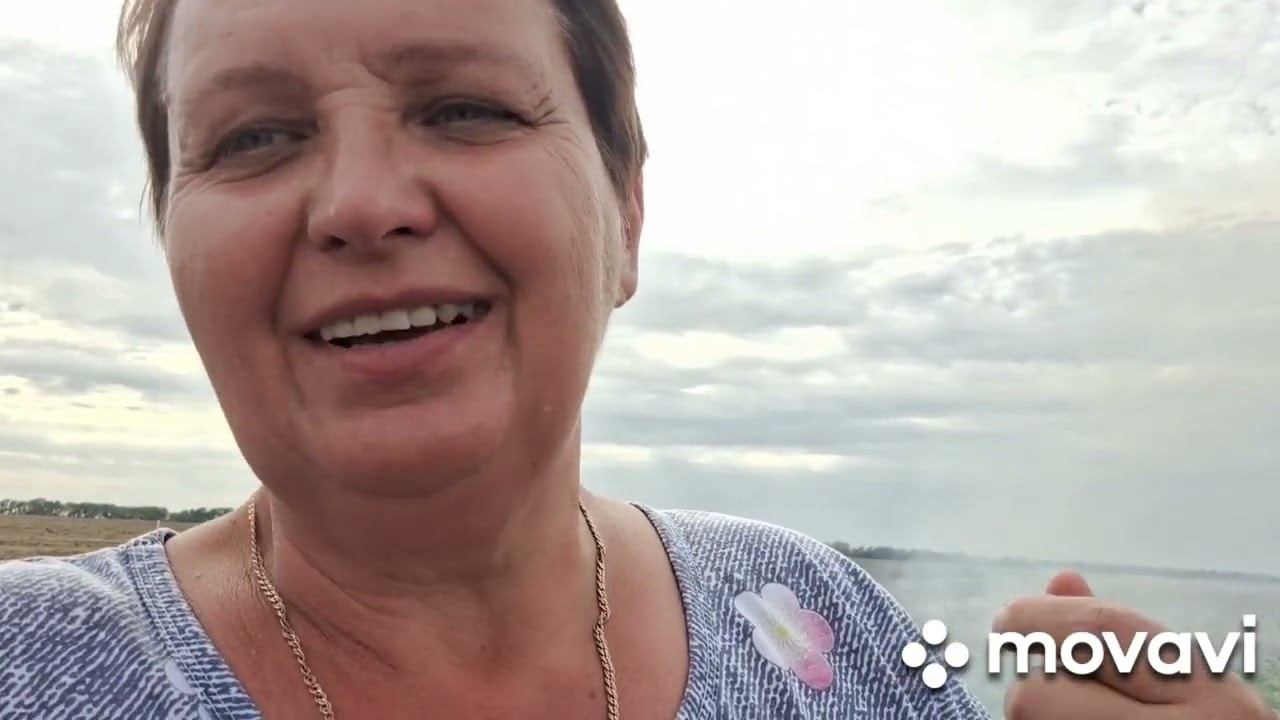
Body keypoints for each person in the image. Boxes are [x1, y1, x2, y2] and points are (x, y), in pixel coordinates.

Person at [0, 0, 1271, 718]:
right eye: (255, 137)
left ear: (626, 213)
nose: (361, 204)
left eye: (463, 108)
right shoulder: (34, 667)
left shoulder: (813, 621)